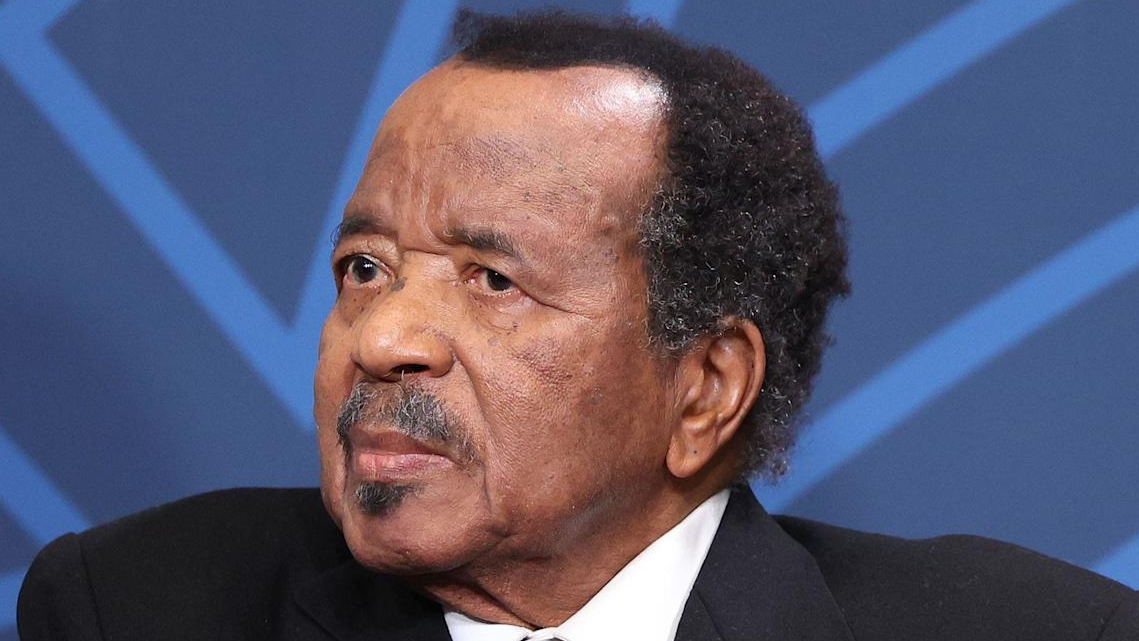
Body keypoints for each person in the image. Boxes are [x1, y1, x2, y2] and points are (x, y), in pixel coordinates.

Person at [17, 10, 1139, 641]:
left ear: (704, 388)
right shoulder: (138, 606)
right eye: (365, 268)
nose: (382, 337)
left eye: (491, 279)